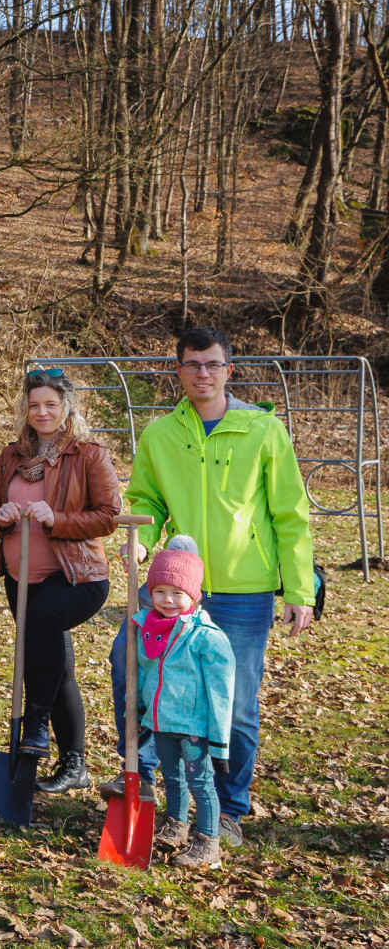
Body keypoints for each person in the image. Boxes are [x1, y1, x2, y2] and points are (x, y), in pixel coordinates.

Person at [107, 325, 314, 848]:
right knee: (130, 666)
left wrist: (299, 590)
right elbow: (147, 500)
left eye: (213, 365)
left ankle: (228, 809)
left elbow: (290, 514)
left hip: (243, 592)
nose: (203, 374)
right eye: (193, 365)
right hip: (174, 591)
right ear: (178, 371)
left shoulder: (263, 431)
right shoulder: (160, 434)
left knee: (235, 702)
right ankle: (146, 775)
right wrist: (139, 538)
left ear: (229, 370)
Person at [0, 368, 120, 792]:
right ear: (25, 408)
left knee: (40, 628)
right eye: (34, 405)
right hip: (22, 576)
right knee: (53, 665)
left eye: (51, 405)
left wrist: (56, 519)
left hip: (77, 576)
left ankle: (35, 727)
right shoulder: (11, 456)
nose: (42, 412)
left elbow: (109, 515)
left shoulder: (89, 454)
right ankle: (75, 764)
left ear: (66, 407)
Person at [136, 542, 236, 869]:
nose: (168, 600)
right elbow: (145, 675)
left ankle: (208, 841)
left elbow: (221, 692)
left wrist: (220, 743)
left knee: (199, 782)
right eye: (160, 591)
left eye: (178, 593)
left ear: (194, 596)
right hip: (162, 724)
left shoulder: (207, 637)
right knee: (172, 777)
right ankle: (176, 825)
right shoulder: (147, 629)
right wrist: (139, 714)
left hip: (194, 729)